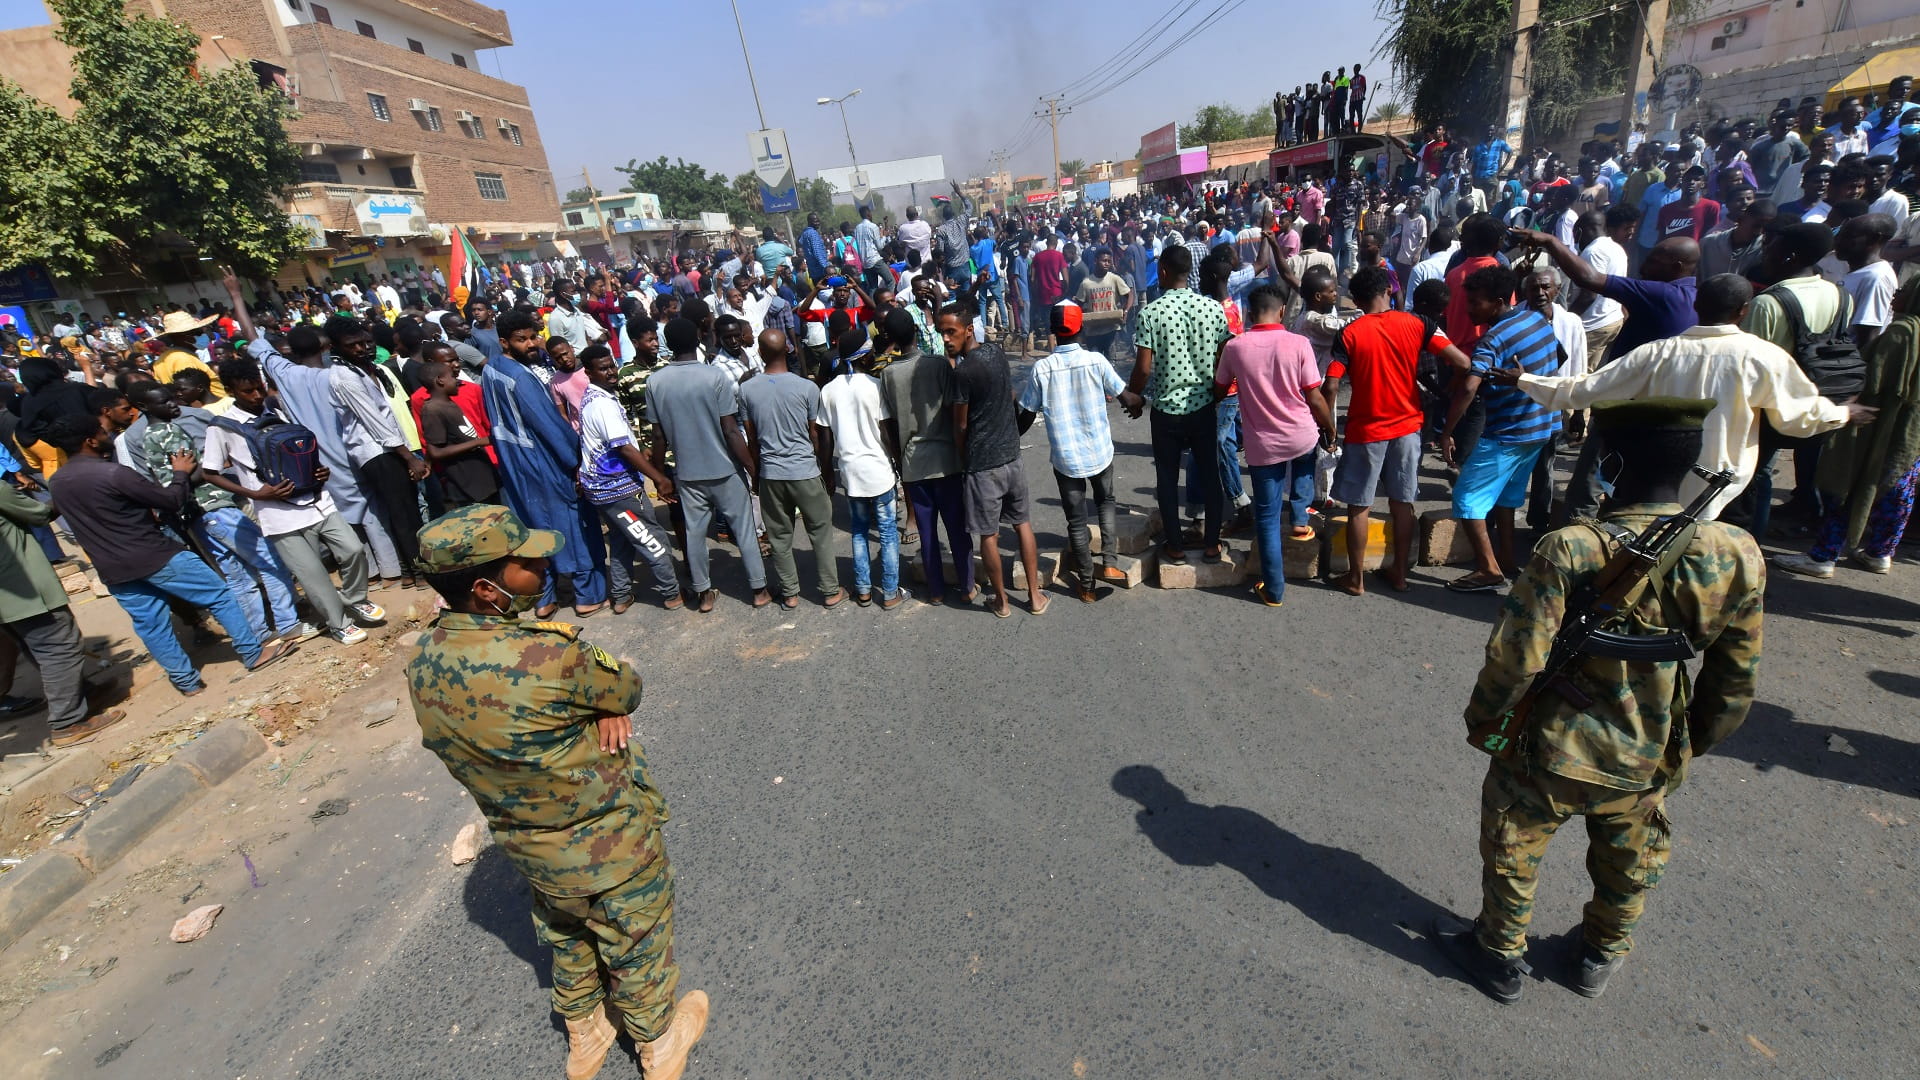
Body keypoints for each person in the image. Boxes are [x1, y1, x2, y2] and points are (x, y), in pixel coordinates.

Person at [1433, 397, 1762, 1006]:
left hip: (1549, 743)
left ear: (1608, 458)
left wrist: (1487, 721)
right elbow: (1734, 681)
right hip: (1648, 751)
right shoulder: (1736, 551)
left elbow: (1517, 657)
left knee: (1514, 844)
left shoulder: (1572, 548)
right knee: (1628, 858)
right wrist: (1683, 744)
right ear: (1693, 461)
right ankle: (1599, 954)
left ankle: (1499, 954)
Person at [407, 504, 708, 1080]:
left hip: (530, 846)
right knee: (635, 936)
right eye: (525, 561)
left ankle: (585, 1034)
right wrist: (599, 705)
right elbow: (626, 687)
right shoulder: (551, 654)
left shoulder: (423, 660)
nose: (543, 563)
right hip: (609, 841)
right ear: (486, 588)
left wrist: (588, 709)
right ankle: (659, 1045)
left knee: (566, 930)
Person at [1494, 271, 1865, 522]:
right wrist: (1843, 413)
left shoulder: (1656, 353)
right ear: (1743, 311)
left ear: (1697, 306)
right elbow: (1797, 417)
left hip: (1654, 477)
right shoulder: (1764, 357)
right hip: (1719, 480)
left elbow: (1581, 390)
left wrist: (1525, 380)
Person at [44, 413, 295, 695]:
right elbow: (171, 500)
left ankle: (186, 682)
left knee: (151, 625)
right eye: (102, 433)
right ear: (89, 440)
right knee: (220, 595)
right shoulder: (113, 473)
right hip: (154, 554)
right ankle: (253, 653)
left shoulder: (57, 482)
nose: (108, 436)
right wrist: (180, 471)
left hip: (113, 568)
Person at [203, 358, 383, 646]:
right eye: (247, 391)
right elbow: (209, 472)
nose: (256, 396)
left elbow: (300, 448)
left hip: (317, 500)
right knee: (313, 575)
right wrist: (256, 494)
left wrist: (319, 471)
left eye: (258, 388)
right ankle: (338, 623)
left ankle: (353, 599)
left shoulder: (275, 408)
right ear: (230, 391)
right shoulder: (223, 426)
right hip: (279, 516)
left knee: (353, 550)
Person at [130, 381, 308, 645]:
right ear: (144, 407)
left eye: (172, 399)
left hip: (195, 514)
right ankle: (288, 624)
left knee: (238, 575)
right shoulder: (169, 431)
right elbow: (187, 475)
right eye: (164, 402)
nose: (173, 405)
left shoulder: (147, 437)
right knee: (269, 559)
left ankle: (260, 632)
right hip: (214, 504)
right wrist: (215, 464)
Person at [1329, 267, 1469, 595]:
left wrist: (1329, 425)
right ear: (1389, 293)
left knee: (1359, 507)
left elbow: (1332, 383)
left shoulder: (1350, 333)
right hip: (1408, 427)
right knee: (1402, 501)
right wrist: (1450, 396)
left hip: (1366, 430)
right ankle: (1400, 574)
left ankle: (1356, 579)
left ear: (1358, 300)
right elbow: (1461, 362)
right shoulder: (1419, 324)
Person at [1442, 265, 1562, 592]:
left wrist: (1446, 431)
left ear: (1497, 302)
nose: (1468, 310)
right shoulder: (1537, 319)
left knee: (1467, 498)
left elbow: (1468, 388)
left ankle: (1488, 569)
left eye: (1475, 303)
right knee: (1507, 499)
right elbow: (1558, 357)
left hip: (1509, 432)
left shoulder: (1492, 339)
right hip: (1542, 427)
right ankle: (1507, 561)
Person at [1211, 285, 1333, 607]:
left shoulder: (1236, 348)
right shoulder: (1299, 343)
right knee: (1306, 460)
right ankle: (1299, 519)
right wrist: (1330, 426)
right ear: (1281, 311)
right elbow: (1315, 396)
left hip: (1263, 446)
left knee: (1266, 518)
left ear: (1250, 313)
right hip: (1301, 434)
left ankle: (1274, 591)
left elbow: (1219, 390)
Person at [485, 311, 609, 617]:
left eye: (532, 337)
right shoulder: (521, 378)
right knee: (573, 526)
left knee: (532, 529)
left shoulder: (490, 370)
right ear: (504, 342)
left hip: (515, 466)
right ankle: (587, 596)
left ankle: (543, 598)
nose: (531, 345)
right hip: (542, 462)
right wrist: (576, 460)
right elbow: (550, 427)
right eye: (521, 340)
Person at [1017, 301, 1138, 604]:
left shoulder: (1042, 369)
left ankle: (1086, 586)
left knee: (1076, 520)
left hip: (1066, 457)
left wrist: (1008, 431)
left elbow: (1027, 414)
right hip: (1099, 450)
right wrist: (1138, 403)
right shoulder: (1096, 361)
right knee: (1105, 502)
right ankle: (1109, 563)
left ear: (1053, 331)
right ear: (1081, 328)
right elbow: (1125, 396)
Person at [1124, 244, 1232, 565]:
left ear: (1162, 272)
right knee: (1210, 475)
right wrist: (1218, 390)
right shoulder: (1213, 309)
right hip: (1202, 406)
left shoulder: (1151, 313)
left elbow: (1144, 368)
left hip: (1167, 410)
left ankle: (1175, 547)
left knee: (1168, 479)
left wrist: (1134, 396)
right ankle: (1212, 544)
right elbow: (1227, 354)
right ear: (1189, 273)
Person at [0, 479, 125, 746]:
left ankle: (84, 695)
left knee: (39, 648)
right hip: (24, 589)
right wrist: (62, 488)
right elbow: (42, 515)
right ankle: (67, 722)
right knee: (59, 646)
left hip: (8, 597)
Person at [946, 305, 1046, 618]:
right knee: (1022, 524)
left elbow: (960, 426)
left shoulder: (963, 374)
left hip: (983, 466)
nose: (946, 339)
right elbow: (1011, 393)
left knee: (989, 535)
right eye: (942, 333)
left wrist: (963, 461)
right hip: (1012, 458)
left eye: (951, 332)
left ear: (967, 330)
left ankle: (1002, 602)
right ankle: (1035, 597)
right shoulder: (997, 353)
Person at [739, 328, 844, 609]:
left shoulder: (747, 390)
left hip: (772, 474)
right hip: (806, 472)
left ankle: (790, 593)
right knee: (820, 531)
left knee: (779, 536)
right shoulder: (807, 388)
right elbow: (815, 435)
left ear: (760, 352)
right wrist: (825, 471)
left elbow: (752, 440)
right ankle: (831, 591)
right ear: (788, 349)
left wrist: (756, 476)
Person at [577, 346, 685, 614]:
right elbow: (622, 448)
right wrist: (659, 478)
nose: (611, 372)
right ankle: (672, 594)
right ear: (588, 373)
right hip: (616, 487)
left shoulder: (594, 397)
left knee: (623, 540)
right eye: (603, 368)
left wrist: (640, 450)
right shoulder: (602, 404)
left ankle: (622, 595)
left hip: (602, 487)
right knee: (651, 538)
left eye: (612, 365)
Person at [878, 307, 972, 603]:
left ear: (890, 339)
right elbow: (954, 409)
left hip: (913, 464)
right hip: (946, 460)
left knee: (927, 533)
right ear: (917, 331)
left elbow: (888, 425)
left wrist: (898, 459)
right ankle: (968, 587)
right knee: (958, 529)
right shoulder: (938, 364)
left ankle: (935, 592)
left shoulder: (888, 374)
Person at [815, 328, 904, 608]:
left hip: (850, 474)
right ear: (862, 356)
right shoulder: (874, 386)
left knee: (859, 531)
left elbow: (825, 439)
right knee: (888, 532)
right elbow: (886, 431)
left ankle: (863, 590)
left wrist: (828, 475)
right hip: (878, 471)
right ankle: (890, 593)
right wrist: (899, 463)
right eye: (868, 352)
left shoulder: (827, 391)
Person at [417, 358, 500, 509]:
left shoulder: (448, 403)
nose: (457, 381)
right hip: (468, 485)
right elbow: (435, 451)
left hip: (482, 477)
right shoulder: (432, 410)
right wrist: (479, 441)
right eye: (452, 377)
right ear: (440, 381)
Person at [1073, 249, 1133, 358]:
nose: (1107, 264)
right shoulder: (1086, 283)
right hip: (1092, 331)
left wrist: (1126, 310)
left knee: (1111, 363)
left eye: (1109, 261)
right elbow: (1078, 304)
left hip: (1111, 329)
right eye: (1104, 260)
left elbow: (1129, 295)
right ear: (1096, 261)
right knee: (1095, 364)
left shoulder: (1114, 279)